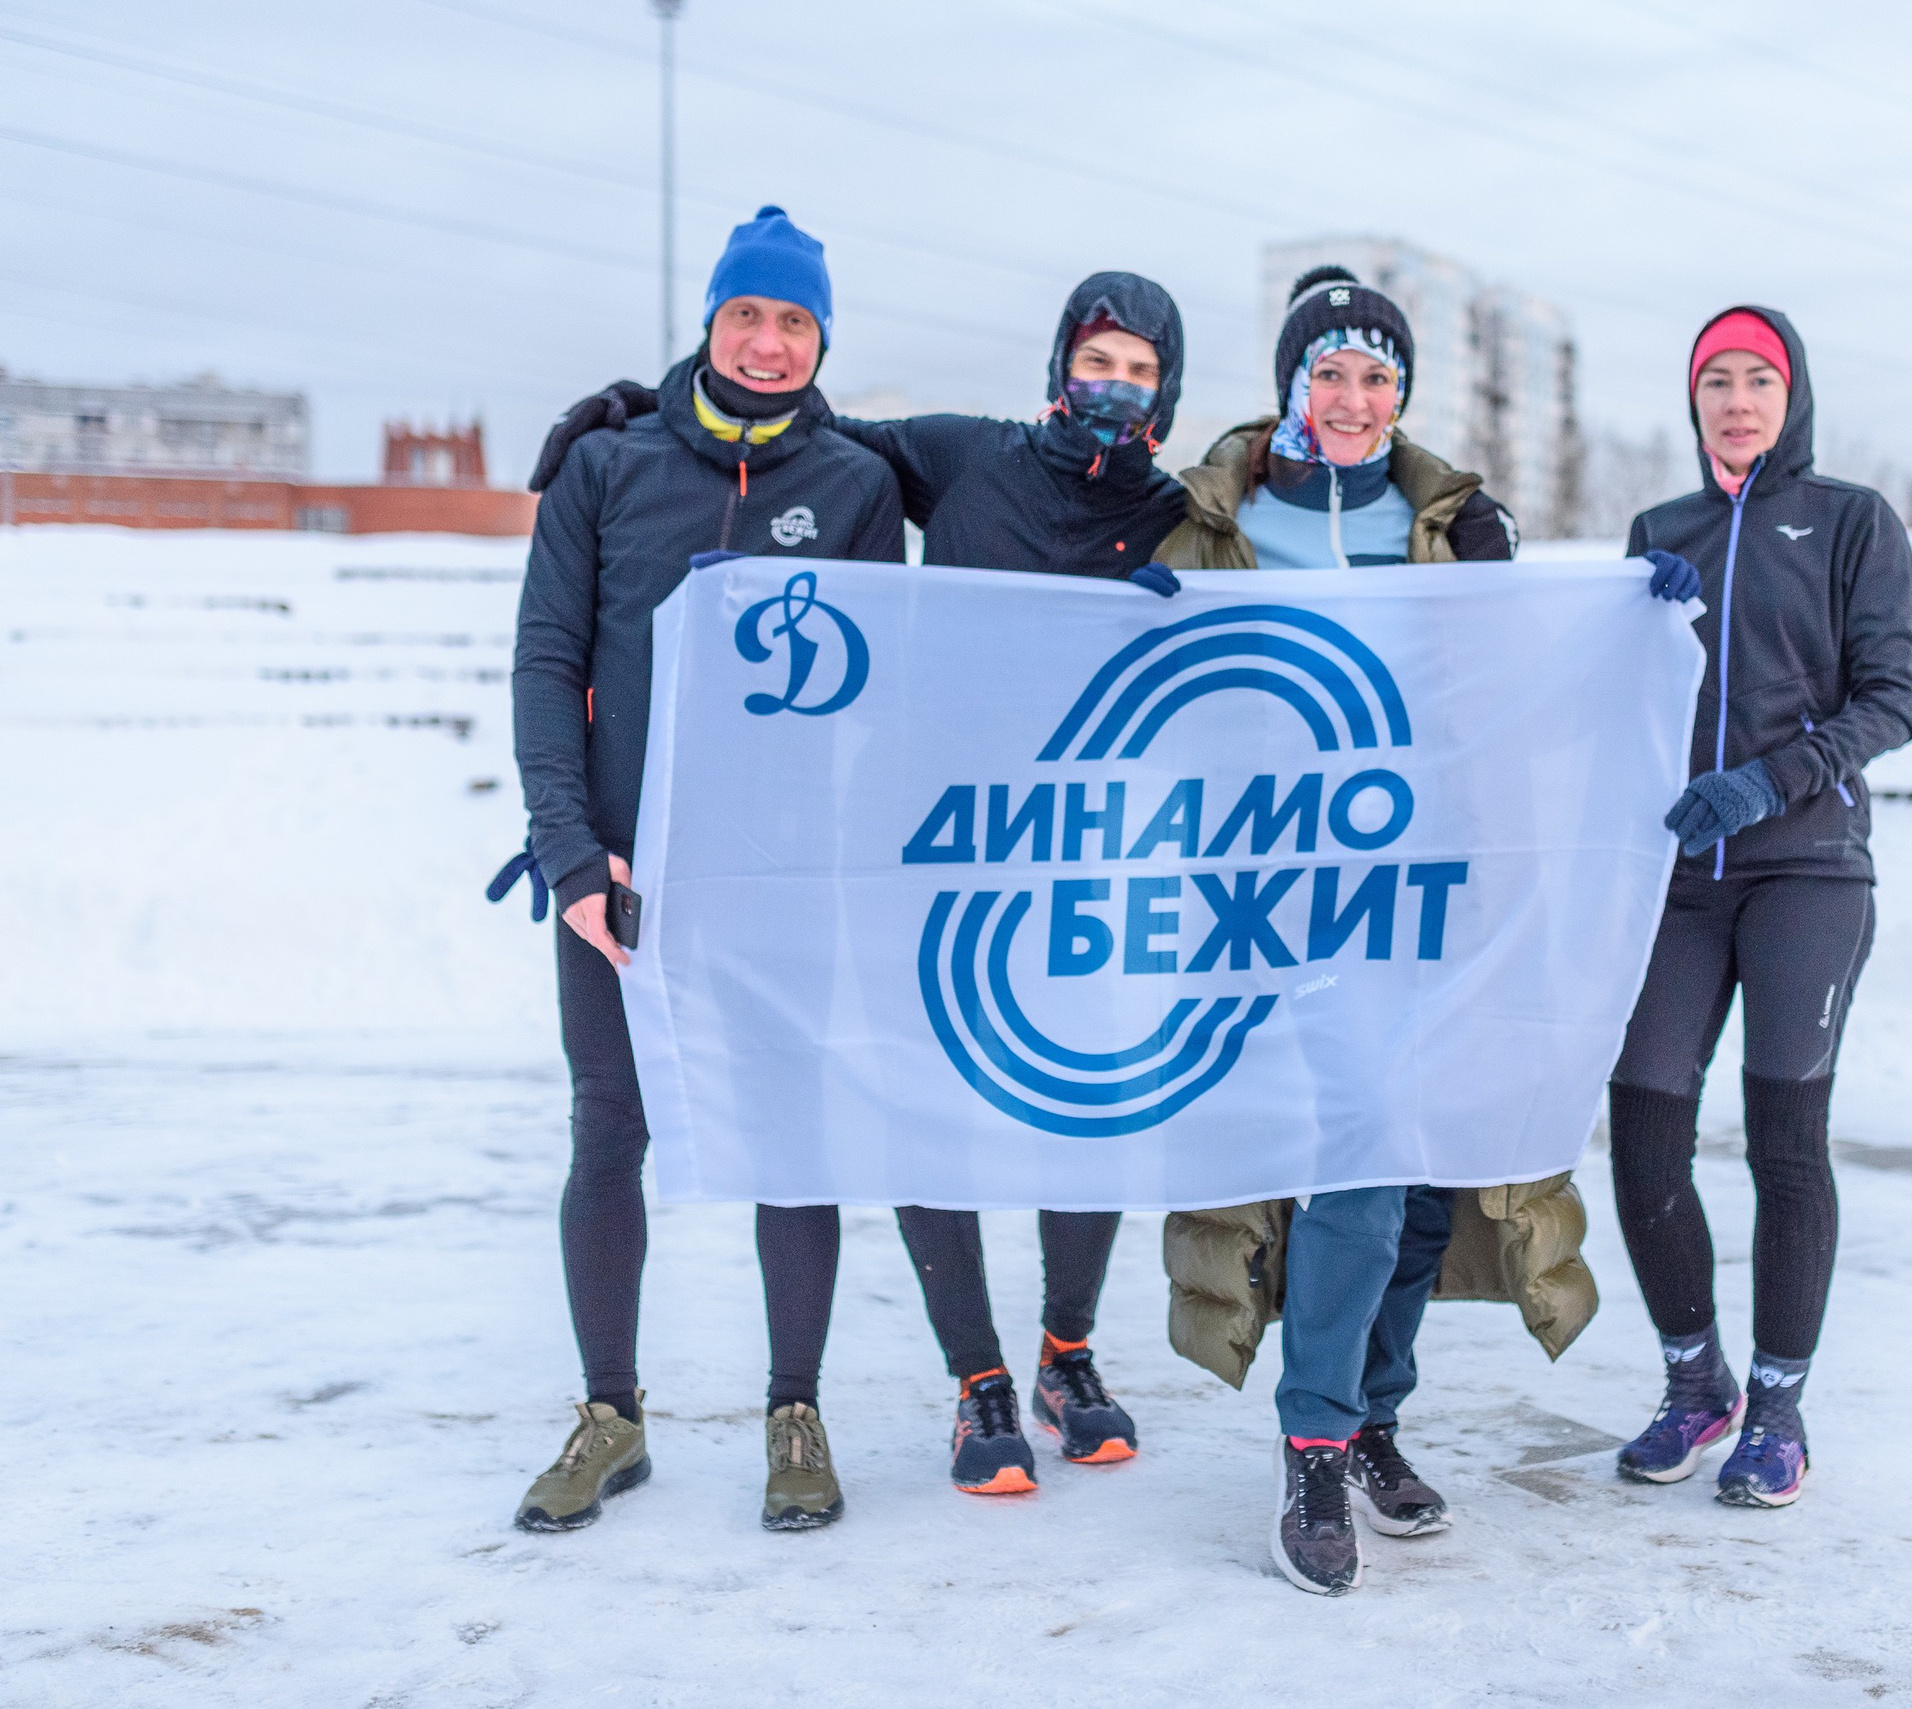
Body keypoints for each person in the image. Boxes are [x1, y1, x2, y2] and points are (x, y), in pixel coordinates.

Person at [527, 271, 1192, 1497]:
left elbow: (1309, 583)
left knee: (1080, 1108)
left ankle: (1066, 1351)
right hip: (939, 834)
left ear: (1167, 390)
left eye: (1139, 369)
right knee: (925, 1107)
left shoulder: (1183, 514)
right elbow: (802, 436)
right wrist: (644, 406)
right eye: (1095, 358)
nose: (1112, 385)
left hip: (1090, 841)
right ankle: (976, 1375)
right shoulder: (957, 458)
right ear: (1059, 363)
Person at [1154, 265, 1689, 1596]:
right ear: (1290, 387)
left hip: (1430, 888)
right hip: (1278, 895)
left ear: (1404, 394)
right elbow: (1151, 700)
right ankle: (1316, 1442)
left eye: (1377, 376)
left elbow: (1519, 686)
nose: (1352, 397)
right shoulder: (1218, 526)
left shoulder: (1459, 526)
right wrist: (1144, 633)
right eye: (1328, 373)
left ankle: (1372, 1413)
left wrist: (1634, 616)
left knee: (1416, 1173)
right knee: (1362, 1153)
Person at [497, 206, 905, 1535]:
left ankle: (797, 1409)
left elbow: (878, 698)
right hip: (618, 881)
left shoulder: (853, 486)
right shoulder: (606, 472)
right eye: (751, 315)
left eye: (796, 320)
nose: (772, 342)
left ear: (823, 335)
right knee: (607, 1127)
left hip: (781, 888)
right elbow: (546, 666)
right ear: (711, 323)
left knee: (792, 1138)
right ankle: (609, 1413)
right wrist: (569, 857)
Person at [1606, 305, 1912, 1509]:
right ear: (1692, 403)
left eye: (1758, 379)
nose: (1737, 400)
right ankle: (1698, 1383)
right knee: (1642, 1128)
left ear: (1792, 396)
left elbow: (1890, 699)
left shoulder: (1849, 521)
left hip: (1807, 869)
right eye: (1715, 382)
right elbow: (1618, 696)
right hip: (1684, 878)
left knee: (1784, 1138)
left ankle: (1779, 1407)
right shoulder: (1662, 529)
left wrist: (1770, 779)